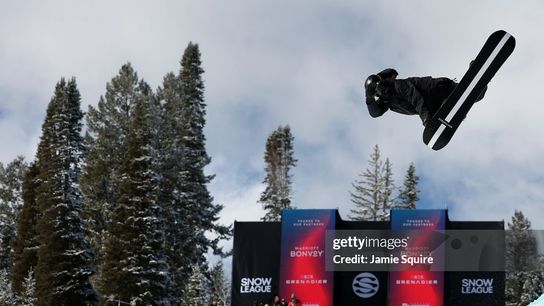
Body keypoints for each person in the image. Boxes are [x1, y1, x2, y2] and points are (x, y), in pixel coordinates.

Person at [364, 67, 486, 126]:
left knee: (475, 95)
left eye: (380, 87)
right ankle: (479, 81)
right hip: (435, 104)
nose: (381, 92)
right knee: (476, 97)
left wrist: (426, 120)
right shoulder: (388, 102)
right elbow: (375, 113)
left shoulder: (398, 85)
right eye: (376, 93)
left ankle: (476, 69)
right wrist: (369, 99)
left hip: (439, 89)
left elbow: (416, 98)